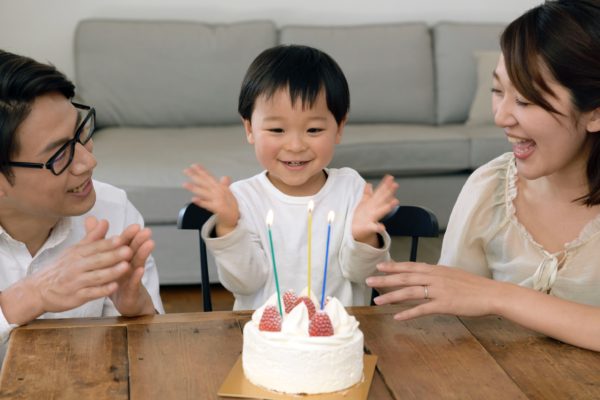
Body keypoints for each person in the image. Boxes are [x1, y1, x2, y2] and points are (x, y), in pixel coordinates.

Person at [367, 0, 600, 351]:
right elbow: (451, 311)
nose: (502, 116)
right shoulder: (490, 189)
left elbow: (483, 296)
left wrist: (500, 297)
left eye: (525, 101)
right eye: (498, 91)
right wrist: (366, 252)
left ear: (594, 113)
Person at [184, 45, 399, 310]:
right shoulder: (243, 199)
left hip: (335, 340)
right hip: (266, 342)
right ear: (250, 128)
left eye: (313, 129)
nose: (295, 145)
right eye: (277, 129)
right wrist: (229, 227)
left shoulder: (350, 189)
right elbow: (245, 283)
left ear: (339, 128)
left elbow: (362, 276)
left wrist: (364, 237)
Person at [0, 50, 164, 353]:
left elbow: (145, 360)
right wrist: (27, 297)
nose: (88, 161)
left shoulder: (113, 211)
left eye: (81, 131)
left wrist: (138, 308)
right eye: (59, 154)